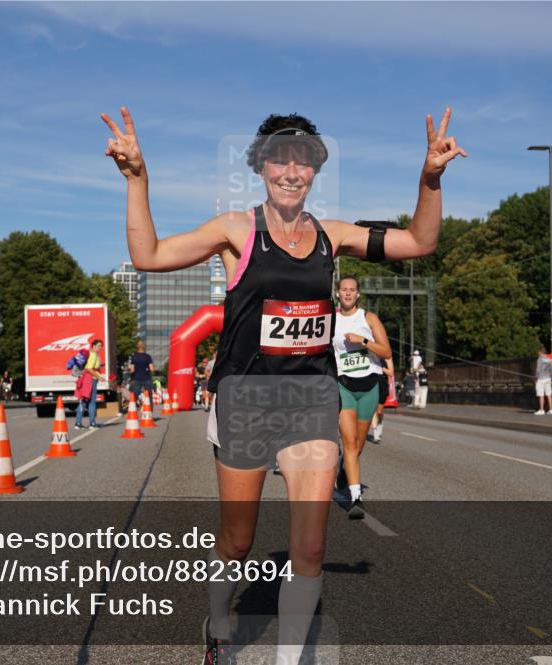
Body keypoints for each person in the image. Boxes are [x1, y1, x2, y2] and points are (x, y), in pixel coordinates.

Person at [102, 104, 464, 665]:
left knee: (312, 546)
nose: (291, 171)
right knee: (239, 541)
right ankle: (219, 626)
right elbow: (147, 256)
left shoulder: (332, 235)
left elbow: (419, 242)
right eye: (279, 161)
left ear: (315, 170)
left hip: (311, 399)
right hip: (246, 397)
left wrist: (430, 178)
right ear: (261, 167)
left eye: (304, 161)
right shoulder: (235, 230)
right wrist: (136, 178)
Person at [333, 277, 391, 517]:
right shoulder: (331, 320)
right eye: (343, 290)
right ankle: (356, 498)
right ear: (338, 294)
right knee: (348, 442)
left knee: (357, 445)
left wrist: (363, 341)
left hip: (368, 386)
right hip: (343, 385)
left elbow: (386, 351)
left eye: (352, 290)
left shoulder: (369, 318)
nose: (347, 294)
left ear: (357, 295)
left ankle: (343, 472)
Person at [77, 339, 106, 429]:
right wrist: (99, 377)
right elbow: (89, 368)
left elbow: (91, 366)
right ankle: (92, 423)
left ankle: (78, 423)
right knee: (92, 402)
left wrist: (100, 366)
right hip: (91, 380)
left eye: (101, 346)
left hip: (87, 380)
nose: (100, 347)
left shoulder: (92, 354)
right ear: (93, 346)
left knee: (84, 400)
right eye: (98, 345)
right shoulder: (93, 355)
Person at [368, 355, 394, 443]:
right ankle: (376, 434)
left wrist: (380, 368)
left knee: (379, 411)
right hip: (371, 383)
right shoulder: (370, 354)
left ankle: (379, 427)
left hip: (382, 384)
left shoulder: (387, 357)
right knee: (373, 410)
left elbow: (391, 372)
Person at [128, 340, 155, 405]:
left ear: (137, 347)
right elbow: (152, 369)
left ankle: (133, 410)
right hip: (147, 378)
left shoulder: (134, 357)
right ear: (144, 347)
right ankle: (149, 412)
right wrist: (153, 368)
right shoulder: (148, 357)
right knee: (149, 396)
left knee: (134, 396)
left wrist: (129, 371)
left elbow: (132, 370)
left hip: (136, 379)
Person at [534, 345, 552, 415]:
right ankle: (551, 410)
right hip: (548, 378)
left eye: (538, 352)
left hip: (541, 379)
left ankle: (541, 410)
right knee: (549, 394)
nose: (537, 353)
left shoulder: (539, 359)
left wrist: (536, 378)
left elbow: (538, 371)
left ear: (540, 352)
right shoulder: (549, 359)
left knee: (541, 394)